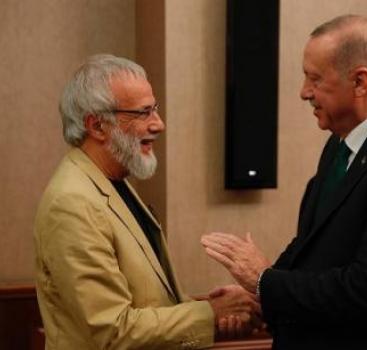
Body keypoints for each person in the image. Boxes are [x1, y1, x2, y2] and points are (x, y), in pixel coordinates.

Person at [201, 15, 367, 350]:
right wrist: (258, 296)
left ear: (361, 82)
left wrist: (266, 282)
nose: (304, 92)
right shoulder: (339, 143)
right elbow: (313, 247)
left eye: (315, 79)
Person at [34, 54, 260, 350]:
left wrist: (211, 309)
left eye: (155, 109)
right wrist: (210, 314)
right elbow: (112, 331)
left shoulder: (113, 183)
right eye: (143, 113)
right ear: (98, 126)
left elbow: (147, 301)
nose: (159, 124)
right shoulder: (72, 204)